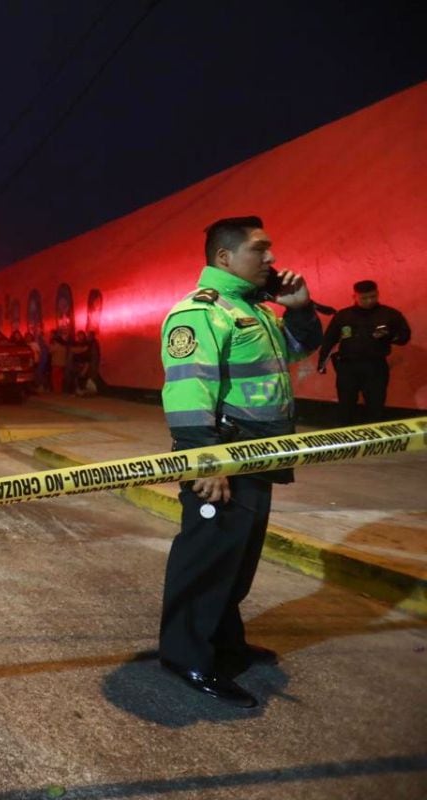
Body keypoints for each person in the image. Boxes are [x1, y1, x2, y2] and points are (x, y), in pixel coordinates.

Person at [158, 216, 322, 708]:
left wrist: (300, 310)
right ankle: (186, 655)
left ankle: (225, 643)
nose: (272, 259)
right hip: (224, 456)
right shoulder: (200, 311)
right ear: (225, 258)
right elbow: (188, 388)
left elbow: (301, 348)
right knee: (206, 560)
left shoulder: (254, 310)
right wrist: (206, 461)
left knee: (237, 559)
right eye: (260, 250)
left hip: (259, 454)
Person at [316, 280, 411, 425]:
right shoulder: (343, 316)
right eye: (364, 298)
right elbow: (330, 339)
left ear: (378, 294)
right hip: (348, 366)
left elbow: (404, 337)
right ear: (354, 296)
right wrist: (322, 363)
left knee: (376, 404)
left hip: (376, 366)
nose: (369, 301)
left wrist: (389, 335)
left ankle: (374, 441)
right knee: (345, 405)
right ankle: (346, 439)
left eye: (373, 296)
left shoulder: (390, 315)